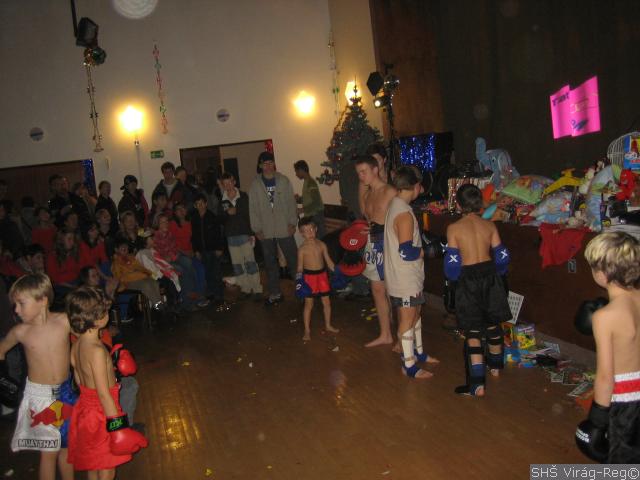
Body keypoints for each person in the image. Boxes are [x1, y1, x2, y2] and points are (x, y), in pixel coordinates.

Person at [65, 286, 147, 476]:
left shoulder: (76, 345)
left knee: (94, 462)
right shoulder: (97, 350)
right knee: (107, 466)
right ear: (98, 318)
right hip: (102, 413)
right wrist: (118, 427)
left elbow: (80, 380)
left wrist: (111, 369)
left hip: (85, 410)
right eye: (105, 311)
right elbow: (103, 393)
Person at [0, 273, 74, 480]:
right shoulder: (20, 331)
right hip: (40, 398)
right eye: (15, 304)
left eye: (21, 303)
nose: (16, 310)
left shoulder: (64, 321)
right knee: (49, 452)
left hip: (66, 393)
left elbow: (84, 337)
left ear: (42, 300)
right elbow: (1, 350)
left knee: (67, 447)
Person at [574, 232, 640, 463]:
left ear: (601, 274)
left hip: (625, 400)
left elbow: (605, 376)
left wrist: (597, 420)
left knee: (622, 461)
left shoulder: (604, 317)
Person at [444, 184, 510, 396]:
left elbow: (452, 264)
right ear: (480, 202)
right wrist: (499, 274)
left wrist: (453, 281)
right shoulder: (489, 226)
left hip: (468, 279)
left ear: (458, 204)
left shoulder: (454, 228)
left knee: (472, 331)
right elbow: (502, 256)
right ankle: (496, 368)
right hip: (490, 276)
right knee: (492, 324)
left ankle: (477, 385)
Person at [384, 166, 439, 378]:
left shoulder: (397, 204)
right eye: (420, 185)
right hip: (404, 277)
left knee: (415, 314)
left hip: (406, 275)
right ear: (415, 186)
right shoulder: (404, 214)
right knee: (407, 319)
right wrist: (429, 251)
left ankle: (419, 353)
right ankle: (408, 366)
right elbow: (406, 252)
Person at [356, 155, 396, 347]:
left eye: (363, 171)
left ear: (375, 169)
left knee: (396, 291)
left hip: (388, 244)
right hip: (373, 243)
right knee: (377, 289)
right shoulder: (367, 195)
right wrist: (368, 228)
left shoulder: (390, 191)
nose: (361, 176)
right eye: (358, 173)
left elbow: (401, 220)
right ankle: (385, 334)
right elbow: (370, 219)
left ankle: (404, 336)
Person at [249, 152, 298, 306]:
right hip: (265, 230)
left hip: (284, 227)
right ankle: (275, 293)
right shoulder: (255, 184)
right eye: (265, 163)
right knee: (270, 263)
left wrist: (292, 223)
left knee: (294, 260)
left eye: (271, 162)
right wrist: (257, 229)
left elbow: (291, 203)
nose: (268, 166)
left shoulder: (283, 180)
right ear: (260, 166)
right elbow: (253, 208)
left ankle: (302, 290)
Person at [220, 172, 262, 300]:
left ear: (234, 182)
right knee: (237, 265)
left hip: (244, 233)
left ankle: (257, 289)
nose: (228, 185)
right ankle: (245, 288)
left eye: (229, 182)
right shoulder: (223, 200)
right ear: (223, 185)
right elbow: (220, 219)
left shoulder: (243, 196)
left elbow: (249, 215)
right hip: (231, 236)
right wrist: (226, 213)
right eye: (225, 184)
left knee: (250, 263)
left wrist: (252, 233)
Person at [296, 217, 339, 341]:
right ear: (301, 233)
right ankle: (307, 330)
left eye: (311, 229)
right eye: (306, 231)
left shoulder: (321, 245)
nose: (309, 233)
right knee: (309, 304)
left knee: (327, 302)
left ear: (316, 229)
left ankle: (328, 325)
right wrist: (299, 281)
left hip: (322, 276)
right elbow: (299, 267)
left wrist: (338, 271)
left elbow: (328, 261)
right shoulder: (302, 249)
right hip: (309, 278)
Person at [191, 195, 225, 305]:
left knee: (216, 272)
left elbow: (219, 233)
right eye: (197, 204)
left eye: (202, 203)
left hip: (213, 250)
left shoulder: (212, 216)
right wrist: (196, 250)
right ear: (195, 206)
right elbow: (194, 236)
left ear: (206, 204)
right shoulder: (194, 219)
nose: (200, 206)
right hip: (202, 251)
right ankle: (211, 294)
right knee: (207, 273)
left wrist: (219, 248)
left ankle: (219, 295)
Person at [111, 238, 163, 309]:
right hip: (128, 282)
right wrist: (133, 274)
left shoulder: (131, 257)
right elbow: (120, 277)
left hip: (139, 278)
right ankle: (158, 306)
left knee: (154, 283)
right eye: (122, 247)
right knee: (146, 285)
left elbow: (140, 267)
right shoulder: (116, 263)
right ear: (116, 249)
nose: (125, 248)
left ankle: (158, 305)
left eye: (126, 247)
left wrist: (148, 273)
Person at [294, 160, 326, 240]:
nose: (296, 174)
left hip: (316, 216)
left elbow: (316, 202)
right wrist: (299, 199)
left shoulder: (311, 182)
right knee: (314, 241)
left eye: (297, 171)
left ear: (301, 170)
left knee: (319, 241)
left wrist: (302, 210)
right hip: (313, 216)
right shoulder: (307, 182)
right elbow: (308, 199)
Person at [46, 229, 82, 298]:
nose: (72, 242)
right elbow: (54, 278)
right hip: (61, 286)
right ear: (61, 240)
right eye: (69, 239)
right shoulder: (52, 256)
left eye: (73, 239)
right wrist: (72, 286)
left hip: (75, 282)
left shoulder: (73, 253)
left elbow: (78, 270)